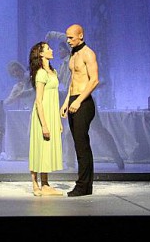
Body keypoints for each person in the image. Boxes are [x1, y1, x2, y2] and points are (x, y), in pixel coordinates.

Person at [61, 24, 98, 197]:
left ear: (81, 36)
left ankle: (82, 186)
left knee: (82, 145)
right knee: (79, 144)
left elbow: (94, 80)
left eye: (71, 37)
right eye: (67, 37)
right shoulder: (74, 54)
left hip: (84, 102)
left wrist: (79, 101)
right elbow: (73, 81)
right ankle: (86, 186)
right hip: (74, 100)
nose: (68, 41)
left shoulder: (88, 53)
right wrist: (66, 102)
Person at [27, 42, 64, 196]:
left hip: (51, 114)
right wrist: (44, 125)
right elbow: (38, 101)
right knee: (38, 147)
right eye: (48, 48)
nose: (52, 50)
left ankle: (46, 183)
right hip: (42, 115)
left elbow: (54, 97)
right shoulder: (41, 73)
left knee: (47, 149)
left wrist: (58, 121)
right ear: (41, 54)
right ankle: (35, 183)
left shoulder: (53, 71)